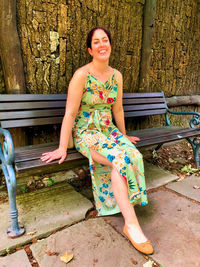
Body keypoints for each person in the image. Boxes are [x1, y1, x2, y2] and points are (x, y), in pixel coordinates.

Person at [41, 27, 154, 254]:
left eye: (105, 40)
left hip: (108, 129)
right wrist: (63, 146)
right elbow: (70, 113)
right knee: (119, 160)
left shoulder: (117, 76)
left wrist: (123, 135)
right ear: (90, 49)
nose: (102, 45)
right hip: (86, 131)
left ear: (110, 45)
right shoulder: (81, 75)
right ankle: (131, 226)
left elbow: (118, 109)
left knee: (133, 154)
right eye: (97, 42)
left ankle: (123, 203)